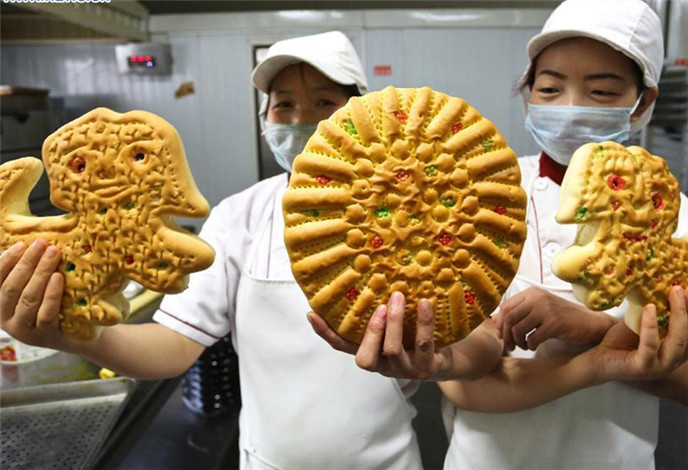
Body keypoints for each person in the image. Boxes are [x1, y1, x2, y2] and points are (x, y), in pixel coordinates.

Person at [0, 31, 427, 470]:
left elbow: (449, 346)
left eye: (324, 102)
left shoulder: (410, 215)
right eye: (283, 104)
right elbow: (173, 346)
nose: (302, 119)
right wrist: (73, 336)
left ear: (360, 115)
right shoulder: (240, 216)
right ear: (265, 120)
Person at [309, 2, 688, 469]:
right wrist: (441, 360)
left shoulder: (673, 217)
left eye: (602, 91)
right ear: (528, 95)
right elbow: (476, 350)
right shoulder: (485, 195)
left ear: (643, 102)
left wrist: (596, 329)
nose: (570, 107)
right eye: (550, 88)